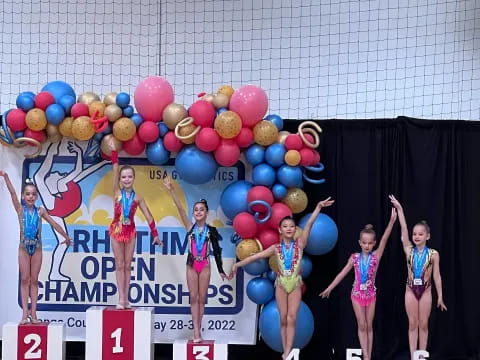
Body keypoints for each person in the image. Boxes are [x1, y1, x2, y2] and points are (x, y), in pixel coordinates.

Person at [230, 198, 335, 360]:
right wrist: (238, 265)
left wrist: (318, 207)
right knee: (283, 319)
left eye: (291, 226)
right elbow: (255, 256)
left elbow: (309, 225)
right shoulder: (275, 248)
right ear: (280, 230)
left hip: (295, 284)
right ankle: (285, 352)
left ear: (294, 230)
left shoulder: (300, 244)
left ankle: (288, 351)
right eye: (285, 226)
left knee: (292, 318)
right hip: (280, 284)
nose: (288, 229)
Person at [319, 207, 397, 360]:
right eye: (364, 243)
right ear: (360, 243)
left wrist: (392, 221)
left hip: (371, 294)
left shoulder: (376, 256)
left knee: (369, 324)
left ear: (373, 243)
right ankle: (366, 355)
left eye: (370, 243)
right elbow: (342, 273)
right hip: (356, 294)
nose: (367, 246)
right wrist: (330, 288)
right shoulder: (354, 258)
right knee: (361, 324)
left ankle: (368, 354)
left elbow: (385, 238)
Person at [163, 175, 228, 343]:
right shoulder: (189, 226)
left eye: (201, 209)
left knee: (201, 298)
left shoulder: (211, 231)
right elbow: (180, 209)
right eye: (196, 210)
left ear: (206, 213)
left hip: (205, 264)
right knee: (193, 297)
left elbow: (217, 251)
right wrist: (171, 190)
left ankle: (199, 328)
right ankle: (196, 332)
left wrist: (220, 270)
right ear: (193, 213)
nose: (198, 212)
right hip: (191, 264)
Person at [0, 172, 71, 323]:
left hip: (37, 248)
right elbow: (12, 193)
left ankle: (34, 313)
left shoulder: (41, 211)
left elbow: (54, 223)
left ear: (36, 196)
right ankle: (25, 314)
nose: (30, 197)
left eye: (33, 194)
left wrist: (65, 236)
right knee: (25, 279)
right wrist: (6, 177)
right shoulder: (20, 209)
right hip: (23, 248)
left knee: (34, 280)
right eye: (27, 194)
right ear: (23, 196)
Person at [34, 141, 108, 281]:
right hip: (56, 215)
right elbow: (76, 170)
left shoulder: (66, 184)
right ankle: (54, 273)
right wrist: (55, 152)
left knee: (63, 244)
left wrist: (102, 163)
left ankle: (54, 273)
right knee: (63, 243)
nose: (56, 172)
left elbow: (85, 172)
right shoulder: (59, 185)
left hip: (59, 213)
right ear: (53, 183)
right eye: (54, 174)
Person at [389, 195, 447, 359]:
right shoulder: (408, 250)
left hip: (427, 291)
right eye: (415, 234)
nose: (416, 236)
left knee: (423, 324)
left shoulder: (433, 254)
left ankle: (422, 355)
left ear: (427, 236)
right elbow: (404, 228)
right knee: (413, 324)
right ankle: (414, 355)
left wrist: (440, 296)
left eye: (420, 234)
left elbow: (437, 276)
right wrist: (400, 210)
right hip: (410, 290)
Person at [108, 144, 161, 309]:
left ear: (134, 178)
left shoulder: (138, 197)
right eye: (124, 177)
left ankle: (127, 298)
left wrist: (155, 234)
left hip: (130, 232)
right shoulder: (116, 192)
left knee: (127, 265)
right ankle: (120, 298)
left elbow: (148, 215)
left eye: (129, 176)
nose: (126, 179)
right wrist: (114, 153)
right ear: (120, 180)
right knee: (119, 264)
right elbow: (115, 169)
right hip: (116, 230)